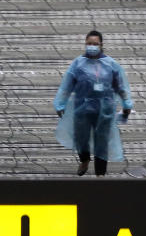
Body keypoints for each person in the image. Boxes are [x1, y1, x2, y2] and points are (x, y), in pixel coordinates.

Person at [53, 30, 134, 177]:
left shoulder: (111, 65)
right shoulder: (77, 64)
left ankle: (100, 175)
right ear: (85, 44)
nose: (92, 46)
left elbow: (121, 87)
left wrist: (127, 105)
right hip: (82, 109)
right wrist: (60, 104)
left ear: (101, 45)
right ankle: (84, 160)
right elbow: (67, 86)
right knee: (81, 137)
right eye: (89, 43)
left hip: (105, 110)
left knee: (101, 142)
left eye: (95, 44)